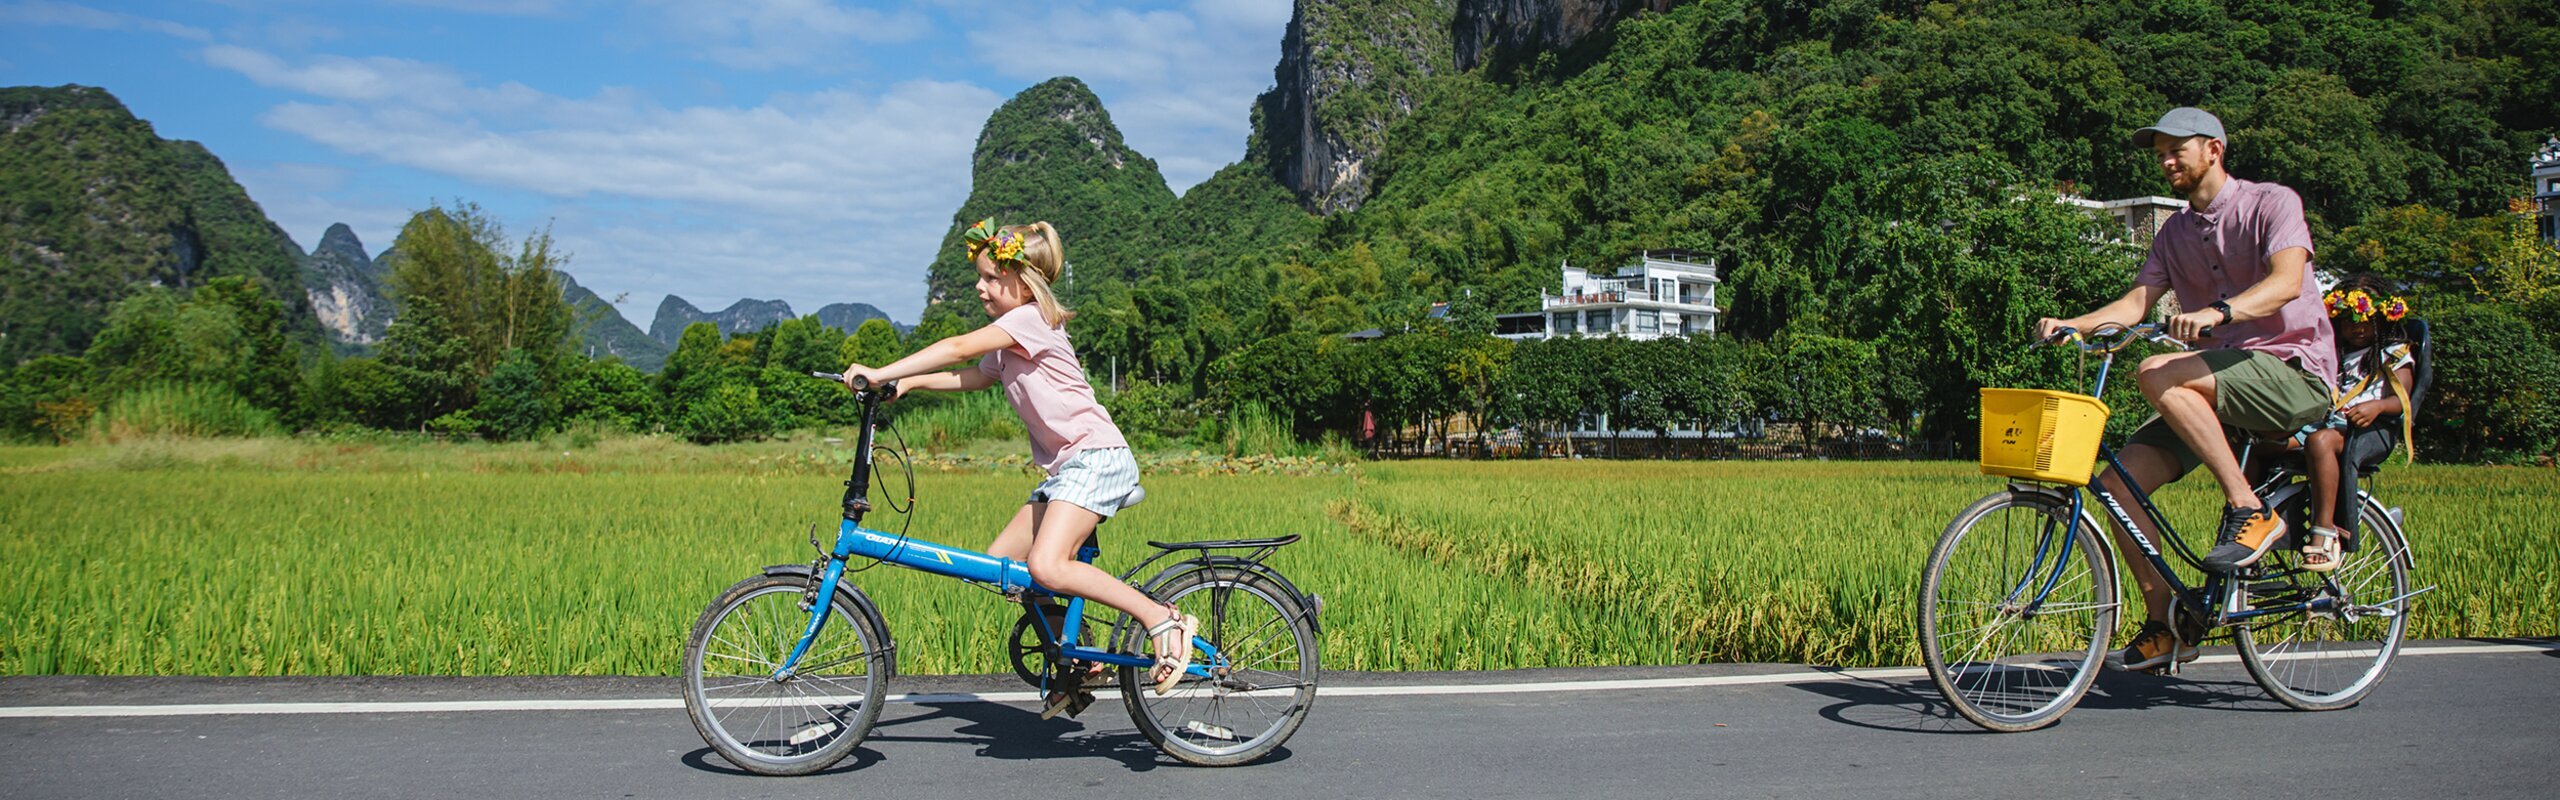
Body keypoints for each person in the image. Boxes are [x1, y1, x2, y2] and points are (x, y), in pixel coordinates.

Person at [839, 218, 1195, 710]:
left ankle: (1160, 618)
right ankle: (1078, 655)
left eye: (990, 278)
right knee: (1001, 566)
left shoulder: (1027, 321)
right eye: (979, 279)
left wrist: (881, 370)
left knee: (1047, 565)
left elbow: (960, 346)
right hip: (1067, 471)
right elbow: (972, 374)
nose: (981, 289)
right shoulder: (1009, 344)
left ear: (1022, 280)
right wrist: (910, 385)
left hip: (1096, 457)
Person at [2035, 107, 2338, 672]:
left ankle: (2250, 508)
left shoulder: (2272, 202)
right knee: (2116, 487)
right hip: (2219, 386)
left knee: (2155, 371)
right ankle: (2169, 621)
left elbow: (2285, 282)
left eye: (2177, 149)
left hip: (2292, 371)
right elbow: (2135, 305)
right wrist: (2070, 325)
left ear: (2214, 149)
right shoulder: (2174, 232)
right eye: (2160, 154)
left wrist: (2219, 312)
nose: (2167, 161)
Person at [2298, 276, 2417, 572]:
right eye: (2350, 321)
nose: (2358, 328)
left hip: (2367, 431)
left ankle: (2324, 529)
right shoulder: (2332, 354)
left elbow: (2402, 400)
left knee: (2320, 441)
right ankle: (2256, 520)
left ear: (2382, 320)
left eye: (2367, 320)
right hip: (2327, 423)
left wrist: (2377, 406)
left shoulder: (2394, 353)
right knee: (2262, 441)